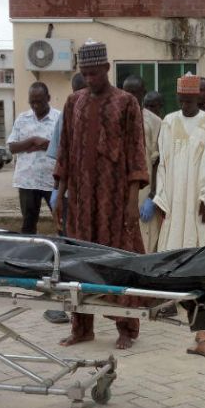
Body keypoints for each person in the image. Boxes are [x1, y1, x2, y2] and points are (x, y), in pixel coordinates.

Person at [53, 39, 151, 350]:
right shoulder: (74, 102)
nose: (90, 79)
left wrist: (133, 200)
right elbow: (66, 150)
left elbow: (137, 152)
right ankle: (82, 327)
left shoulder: (126, 103)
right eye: (85, 74)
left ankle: (126, 326)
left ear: (107, 69)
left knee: (119, 261)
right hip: (82, 201)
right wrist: (60, 193)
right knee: (79, 262)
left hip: (115, 199)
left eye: (95, 73)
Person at [153, 72, 205, 251]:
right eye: (181, 101)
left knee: (199, 236)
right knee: (172, 235)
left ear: (197, 97)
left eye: (188, 101)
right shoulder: (169, 122)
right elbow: (162, 164)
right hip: (174, 192)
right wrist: (161, 197)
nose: (184, 105)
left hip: (198, 192)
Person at [42, 73, 86, 325]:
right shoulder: (67, 115)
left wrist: (58, 194)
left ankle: (76, 303)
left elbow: (58, 161)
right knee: (70, 249)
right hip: (74, 197)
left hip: (86, 198)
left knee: (73, 250)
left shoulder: (71, 112)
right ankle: (67, 305)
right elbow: (61, 160)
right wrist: (58, 196)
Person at [7, 82, 60, 235]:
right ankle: (29, 257)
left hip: (53, 181)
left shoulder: (60, 118)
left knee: (62, 222)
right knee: (28, 225)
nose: (35, 106)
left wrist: (47, 145)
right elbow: (12, 147)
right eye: (32, 102)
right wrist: (32, 141)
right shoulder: (22, 118)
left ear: (48, 98)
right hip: (27, 181)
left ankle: (65, 254)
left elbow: (67, 147)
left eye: (39, 101)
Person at [122, 74, 163, 254]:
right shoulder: (115, 117)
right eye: (126, 92)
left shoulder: (155, 122)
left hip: (145, 190)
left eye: (135, 93)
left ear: (143, 94)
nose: (130, 96)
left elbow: (159, 162)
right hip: (120, 187)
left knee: (146, 239)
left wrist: (153, 196)